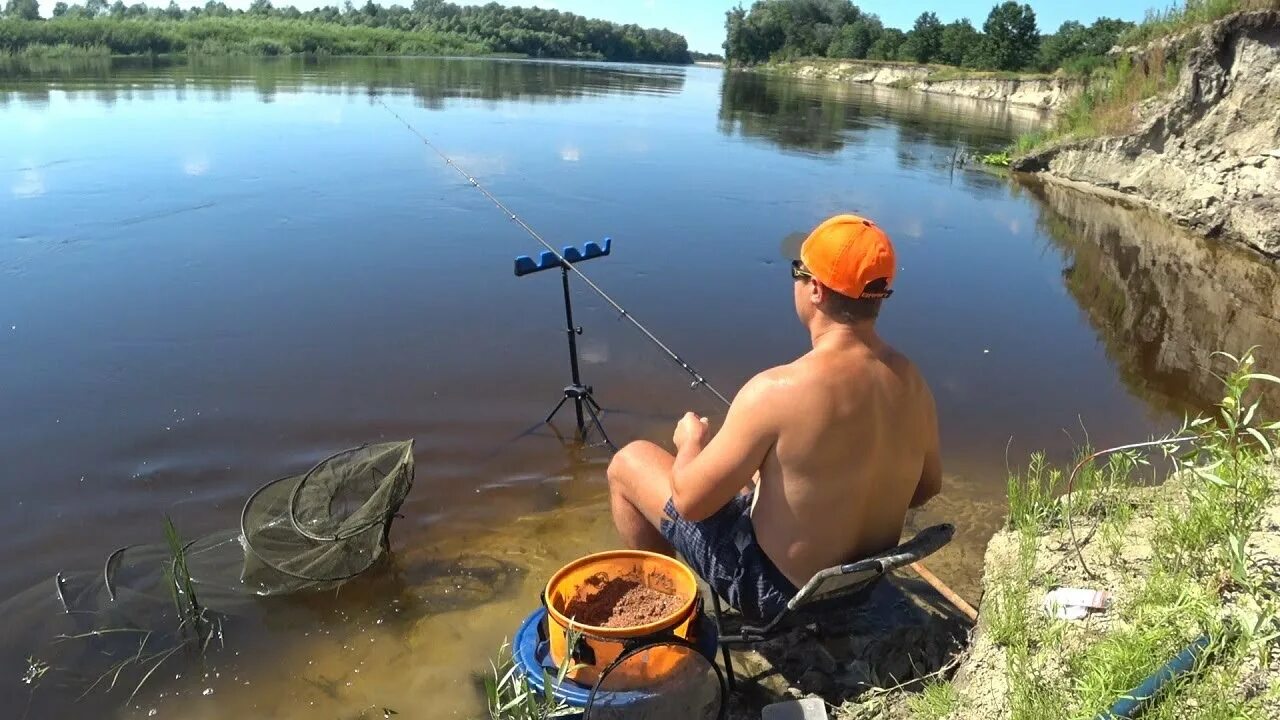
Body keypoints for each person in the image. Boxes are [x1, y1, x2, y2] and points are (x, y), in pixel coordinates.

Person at [606, 214, 942, 624]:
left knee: (630, 462)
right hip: (861, 584)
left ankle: (658, 614)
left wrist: (689, 443)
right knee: (752, 476)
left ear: (815, 290)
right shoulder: (911, 380)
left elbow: (689, 504)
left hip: (778, 597)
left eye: (797, 273)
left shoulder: (775, 390)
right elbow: (927, 487)